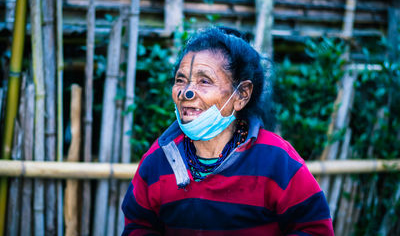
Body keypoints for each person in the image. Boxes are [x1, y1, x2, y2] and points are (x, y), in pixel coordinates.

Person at [122, 27, 334, 235]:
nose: (186, 93)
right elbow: (138, 226)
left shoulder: (276, 158)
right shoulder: (159, 158)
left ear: (241, 95)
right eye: (180, 80)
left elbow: (314, 228)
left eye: (204, 81)